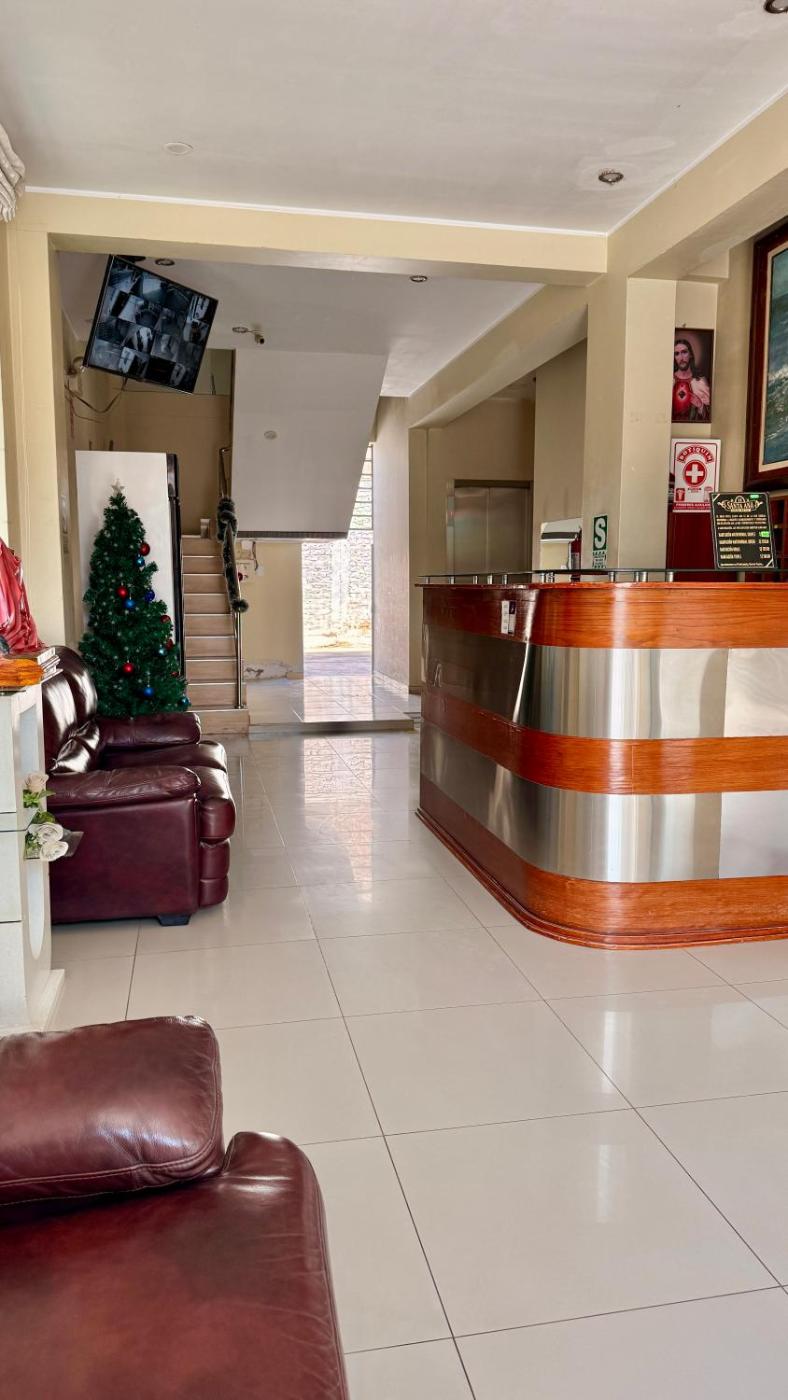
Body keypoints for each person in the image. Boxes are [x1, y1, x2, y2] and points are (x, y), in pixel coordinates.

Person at [672, 337, 710, 422]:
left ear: (691, 355)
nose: (681, 358)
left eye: (684, 352)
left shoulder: (700, 382)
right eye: (677, 354)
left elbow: (711, 416)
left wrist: (701, 406)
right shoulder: (669, 381)